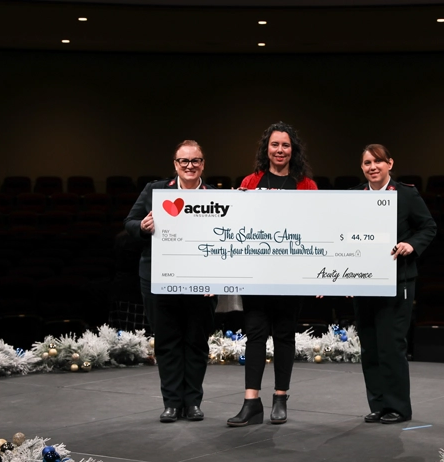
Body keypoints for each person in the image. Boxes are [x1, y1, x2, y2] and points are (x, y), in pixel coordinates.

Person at [227, 122, 318, 427]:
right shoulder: (250, 182)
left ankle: (281, 397)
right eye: (275, 144)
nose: (280, 150)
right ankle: (251, 402)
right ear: (266, 148)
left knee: (283, 335)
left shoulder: (306, 185)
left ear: (294, 150)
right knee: (254, 335)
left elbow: (315, 231)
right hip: (257, 275)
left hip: (291, 275)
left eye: (286, 145)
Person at [124, 140, 215, 423]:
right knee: (167, 342)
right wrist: (142, 227)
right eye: (184, 161)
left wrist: (218, 280)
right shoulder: (155, 191)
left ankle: (193, 403)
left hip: (201, 282)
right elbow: (129, 224)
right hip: (158, 278)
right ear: (175, 165)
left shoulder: (216, 197)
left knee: (196, 342)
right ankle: (172, 404)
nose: (190, 166)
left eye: (195, 161)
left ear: (203, 164)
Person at [352, 144, 436, 424]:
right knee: (370, 346)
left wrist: (411, 244)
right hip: (364, 281)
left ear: (389, 163)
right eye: (366, 163)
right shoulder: (356, 196)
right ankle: (378, 405)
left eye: (377, 161)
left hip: (397, 278)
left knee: (391, 345)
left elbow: (428, 227)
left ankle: (398, 407)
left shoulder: (406, 194)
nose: (372, 167)